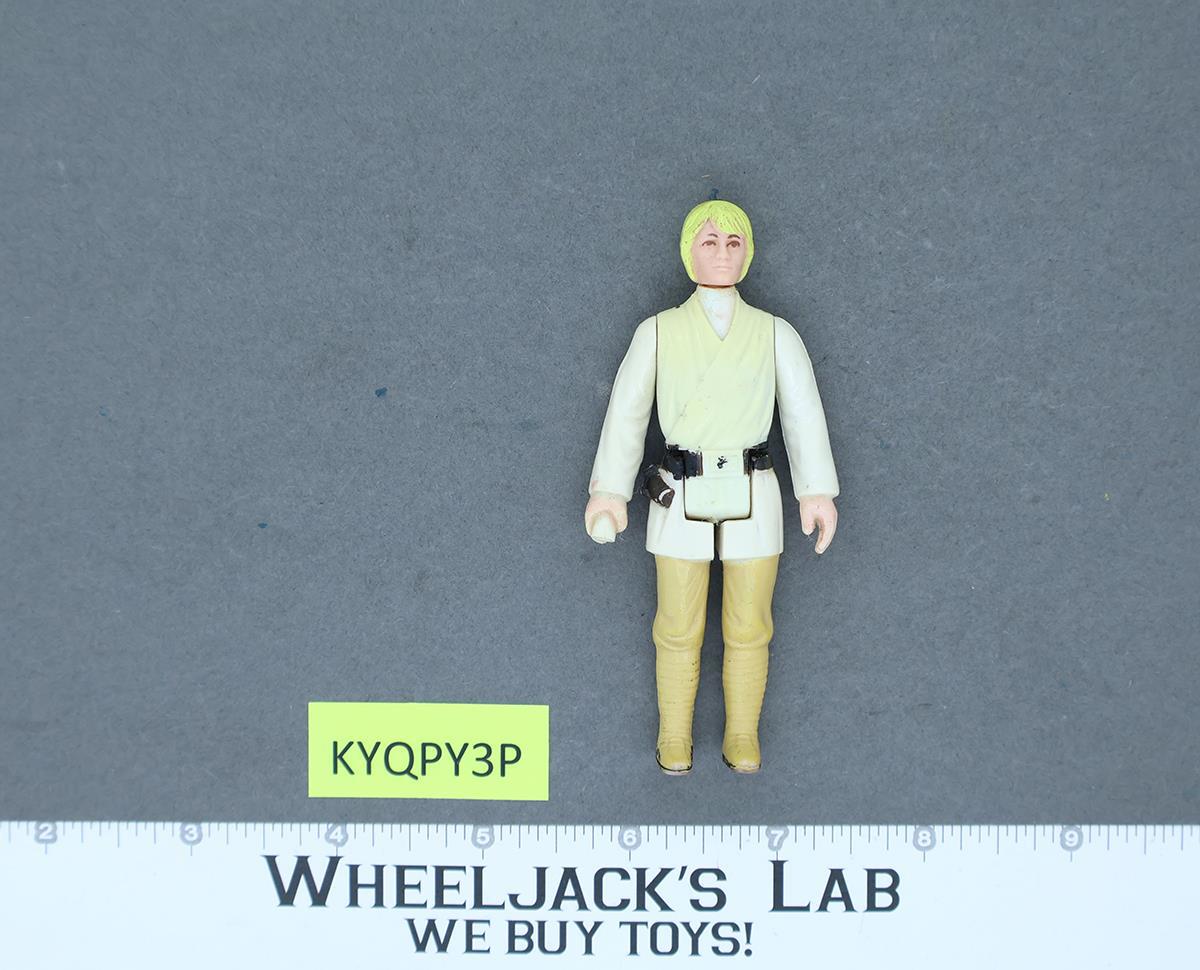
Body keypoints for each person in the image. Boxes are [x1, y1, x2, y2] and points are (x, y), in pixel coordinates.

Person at [584, 200, 840, 775]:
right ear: (688, 252)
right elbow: (627, 413)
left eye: (733, 242)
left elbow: (803, 414)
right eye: (709, 241)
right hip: (681, 491)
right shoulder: (658, 332)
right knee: (676, 626)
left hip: (753, 492)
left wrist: (816, 490)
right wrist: (610, 491)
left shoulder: (774, 334)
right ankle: (674, 734)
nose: (722, 252)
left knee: (751, 626)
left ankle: (742, 734)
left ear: (748, 253)